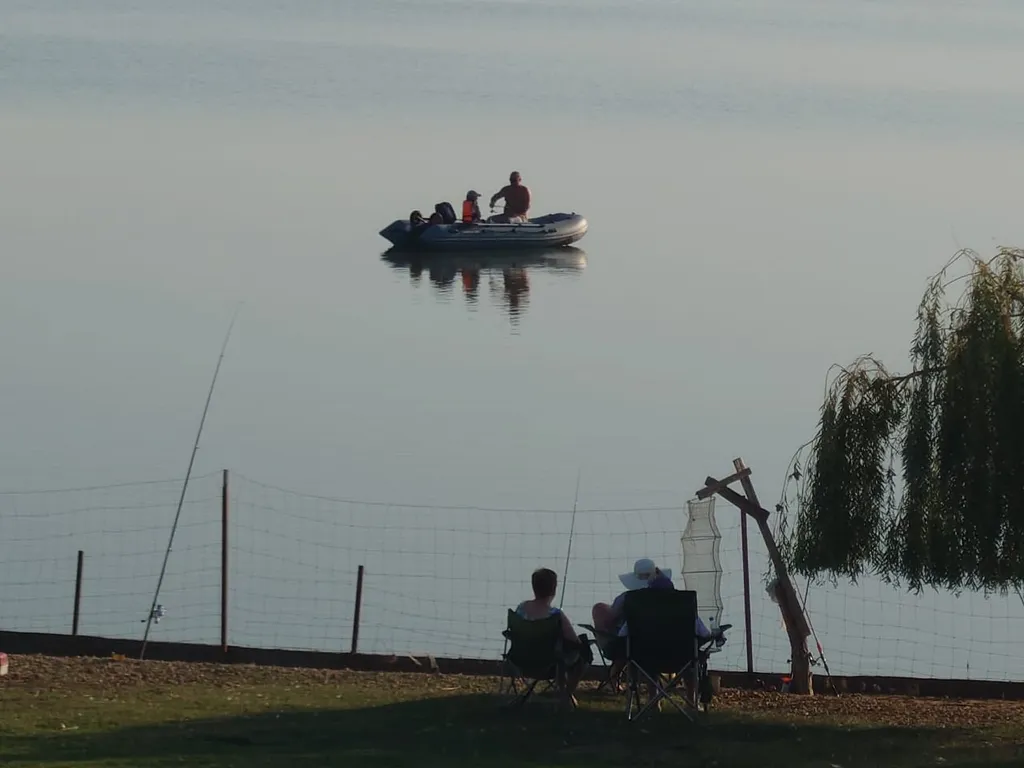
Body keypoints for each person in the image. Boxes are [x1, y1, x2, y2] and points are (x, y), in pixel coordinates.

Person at [514, 567, 590, 709]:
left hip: (521, 661)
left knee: (559, 653)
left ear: (534, 587)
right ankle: (566, 694)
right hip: (548, 665)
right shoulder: (555, 615)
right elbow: (574, 641)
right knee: (582, 654)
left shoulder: (521, 609)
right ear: (554, 589)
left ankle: (562, 692)